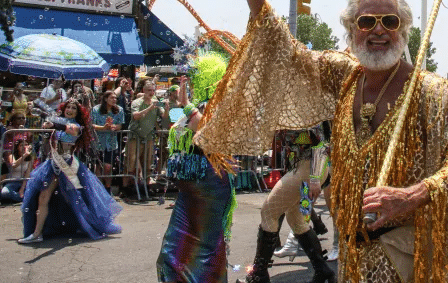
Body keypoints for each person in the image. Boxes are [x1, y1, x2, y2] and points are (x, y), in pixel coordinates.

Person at [193, 0, 448, 283]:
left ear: (404, 29)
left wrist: (412, 195)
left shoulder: (432, 92)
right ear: (351, 30)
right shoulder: (344, 76)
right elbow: (286, 51)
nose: (378, 30)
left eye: (389, 22)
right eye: (367, 21)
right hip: (352, 257)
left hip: (409, 260)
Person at [157, 62, 237, 283]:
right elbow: (170, 119)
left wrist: (187, 106)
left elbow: (205, 134)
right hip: (189, 191)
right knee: (172, 250)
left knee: (205, 249)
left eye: (193, 76)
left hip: (210, 186)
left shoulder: (221, 106)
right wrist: (177, 104)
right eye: (187, 78)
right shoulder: (192, 107)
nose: (188, 80)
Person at [18, 98, 121, 244]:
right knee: (43, 197)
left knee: (75, 200)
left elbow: (69, 130)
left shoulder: (77, 126)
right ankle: (37, 233)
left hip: (68, 166)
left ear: (78, 112)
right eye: (68, 107)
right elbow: (49, 125)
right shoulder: (58, 121)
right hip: (52, 165)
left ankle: (89, 225)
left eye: (74, 108)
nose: (70, 110)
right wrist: (43, 118)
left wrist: (53, 124)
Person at [242, 121, 334, 283]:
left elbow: (322, 143)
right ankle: (323, 270)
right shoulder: (293, 110)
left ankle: (259, 275)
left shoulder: (308, 106)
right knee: (296, 219)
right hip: (303, 170)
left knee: (269, 212)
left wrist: (314, 178)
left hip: (308, 170)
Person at [126, 80, 169, 195]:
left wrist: (167, 108)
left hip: (149, 136)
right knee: (132, 162)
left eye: (153, 90)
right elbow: (135, 116)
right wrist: (150, 108)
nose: (151, 92)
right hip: (135, 136)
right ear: (144, 91)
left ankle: (146, 186)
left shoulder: (156, 102)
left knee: (147, 163)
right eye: (149, 90)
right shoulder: (137, 102)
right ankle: (130, 187)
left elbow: (164, 116)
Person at [92, 90, 124, 191]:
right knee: (98, 166)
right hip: (98, 142)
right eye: (112, 98)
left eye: (115, 98)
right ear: (105, 99)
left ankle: (108, 187)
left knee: (108, 167)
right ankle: (99, 189)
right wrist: (103, 128)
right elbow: (92, 125)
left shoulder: (119, 110)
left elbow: (120, 124)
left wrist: (115, 127)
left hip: (111, 143)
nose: (114, 100)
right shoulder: (96, 109)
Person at [1, 138, 34, 202]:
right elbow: (14, 165)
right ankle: (22, 198)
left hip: (21, 182)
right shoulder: (11, 155)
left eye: (26, 145)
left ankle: (18, 197)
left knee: (34, 191)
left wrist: (22, 188)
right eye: (22, 145)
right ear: (17, 147)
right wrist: (25, 154)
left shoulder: (30, 158)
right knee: (4, 193)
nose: (24, 147)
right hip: (11, 182)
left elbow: (27, 174)